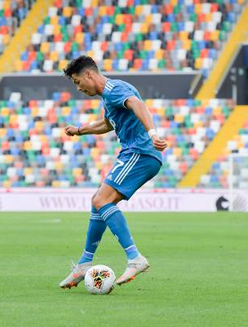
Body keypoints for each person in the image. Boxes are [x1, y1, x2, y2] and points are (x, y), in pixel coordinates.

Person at [59, 56, 168, 288]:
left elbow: (138, 105)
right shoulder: (110, 96)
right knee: (98, 202)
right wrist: (79, 130)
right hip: (136, 154)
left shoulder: (114, 89)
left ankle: (134, 258)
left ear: (89, 75)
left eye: (78, 82)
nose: (79, 88)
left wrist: (153, 134)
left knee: (101, 199)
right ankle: (84, 264)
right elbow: (107, 124)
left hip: (140, 152)